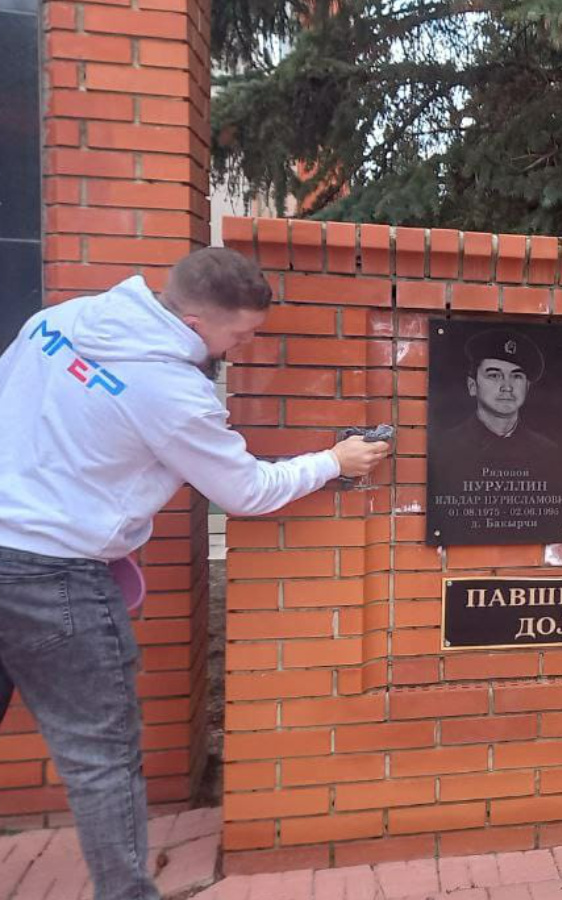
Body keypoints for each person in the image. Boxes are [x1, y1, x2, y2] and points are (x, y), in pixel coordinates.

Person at [0, 247, 388, 900]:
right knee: (100, 757)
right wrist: (332, 462)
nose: (244, 347)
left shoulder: (57, 321)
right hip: (54, 574)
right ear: (196, 324)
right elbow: (245, 490)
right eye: (241, 335)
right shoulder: (172, 392)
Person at [435, 327, 558, 486]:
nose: (507, 387)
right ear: (472, 386)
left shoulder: (548, 452)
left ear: (527, 387)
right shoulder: (444, 448)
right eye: (494, 375)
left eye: (516, 376)